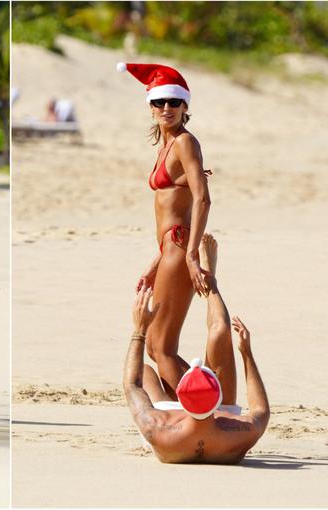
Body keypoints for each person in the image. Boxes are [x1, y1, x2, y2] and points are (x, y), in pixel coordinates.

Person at [123, 234, 270, 464]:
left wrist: (139, 330)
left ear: (181, 395)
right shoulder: (237, 433)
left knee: (149, 365)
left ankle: (207, 279)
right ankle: (210, 281)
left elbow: (132, 384)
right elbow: (260, 411)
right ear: (217, 396)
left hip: (174, 429)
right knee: (220, 330)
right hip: (219, 430)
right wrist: (247, 355)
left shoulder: (158, 427)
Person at [121, 63, 213, 398]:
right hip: (169, 250)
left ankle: (205, 409)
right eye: (159, 102)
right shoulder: (166, 146)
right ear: (150, 107)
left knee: (161, 348)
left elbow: (202, 200)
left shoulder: (186, 143)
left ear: (186, 106)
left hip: (179, 249)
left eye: (174, 102)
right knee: (157, 348)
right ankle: (195, 406)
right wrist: (154, 263)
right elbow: (172, 212)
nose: (166, 108)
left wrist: (190, 255)